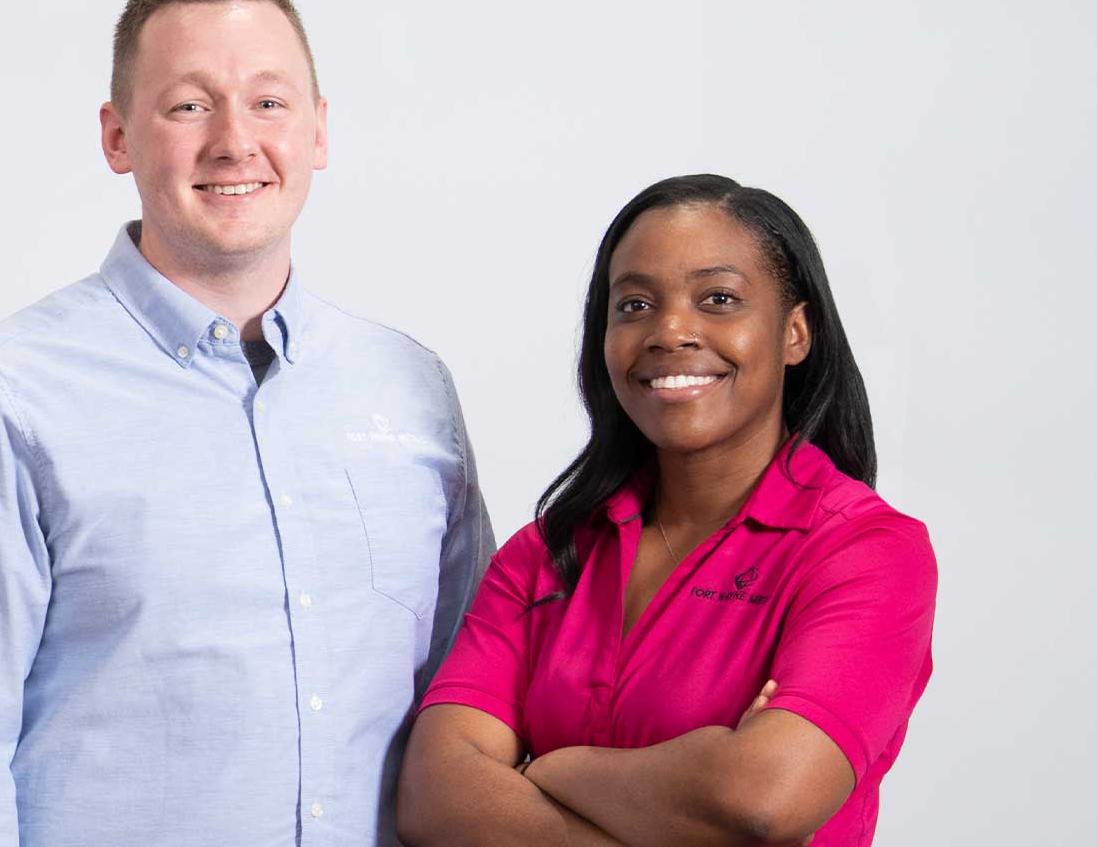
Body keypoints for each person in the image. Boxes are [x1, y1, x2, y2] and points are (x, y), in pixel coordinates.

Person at [0, 0, 492, 846]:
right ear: (118, 137)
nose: (235, 141)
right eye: (189, 105)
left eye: (270, 102)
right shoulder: (3, 400)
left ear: (318, 130)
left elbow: (467, 704)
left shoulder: (411, 388)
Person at [397, 174, 933, 846]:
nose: (670, 331)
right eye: (635, 305)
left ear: (795, 332)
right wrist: (695, 774)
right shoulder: (544, 555)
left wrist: (553, 771)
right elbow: (431, 797)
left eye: (718, 298)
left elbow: (763, 799)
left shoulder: (867, 552)